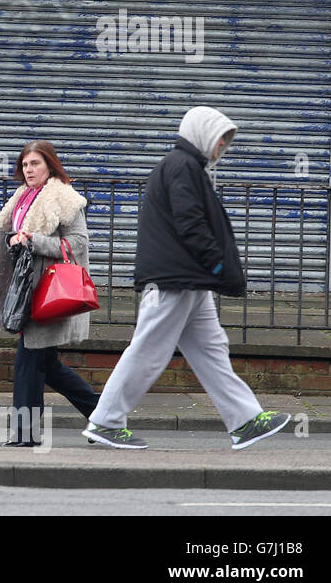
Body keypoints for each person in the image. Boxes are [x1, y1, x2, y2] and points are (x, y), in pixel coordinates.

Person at [84, 106, 290, 450]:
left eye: (226, 141)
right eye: (219, 139)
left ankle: (246, 420)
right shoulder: (181, 167)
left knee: (212, 350)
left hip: (188, 280)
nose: (222, 147)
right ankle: (105, 421)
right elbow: (190, 221)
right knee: (149, 351)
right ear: (202, 133)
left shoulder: (188, 168)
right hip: (175, 279)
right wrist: (218, 265)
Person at [0, 141, 100, 446]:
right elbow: (13, 239)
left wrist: (34, 241)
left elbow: (77, 243)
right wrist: (16, 241)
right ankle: (104, 418)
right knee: (47, 366)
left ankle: (25, 433)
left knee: (27, 362)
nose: (29, 170)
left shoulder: (64, 199)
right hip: (27, 290)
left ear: (50, 165)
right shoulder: (22, 198)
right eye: (25, 165)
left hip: (49, 292)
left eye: (35, 164)